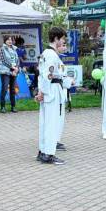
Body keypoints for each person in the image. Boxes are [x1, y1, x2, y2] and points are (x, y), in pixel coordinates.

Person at [35, 27, 68, 164]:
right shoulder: (51, 55)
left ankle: (43, 151)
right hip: (52, 90)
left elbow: (42, 75)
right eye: (62, 39)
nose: (63, 42)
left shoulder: (47, 53)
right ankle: (48, 153)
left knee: (46, 123)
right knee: (51, 123)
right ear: (56, 39)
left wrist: (41, 91)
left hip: (50, 89)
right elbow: (47, 76)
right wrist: (42, 92)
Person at [0, 35, 19, 113]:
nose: (10, 41)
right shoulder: (2, 49)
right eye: (8, 40)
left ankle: (13, 106)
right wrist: (12, 68)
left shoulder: (14, 49)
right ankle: (2, 107)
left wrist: (16, 68)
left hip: (13, 71)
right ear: (5, 41)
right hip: (5, 71)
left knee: (13, 90)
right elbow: (3, 61)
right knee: (4, 88)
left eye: (11, 40)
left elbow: (17, 60)